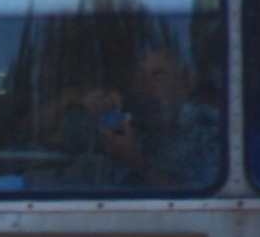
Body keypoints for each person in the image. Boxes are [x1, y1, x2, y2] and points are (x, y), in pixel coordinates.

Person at [91, 41, 220, 190]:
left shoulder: (210, 127)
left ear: (186, 81)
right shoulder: (133, 124)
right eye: (140, 77)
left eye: (157, 75)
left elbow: (198, 201)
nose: (145, 86)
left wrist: (135, 161)